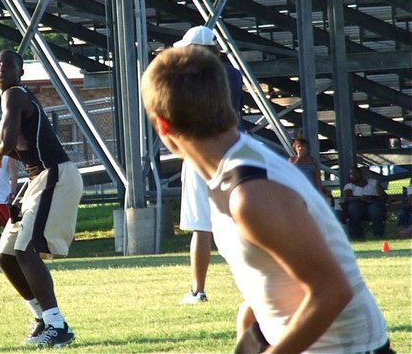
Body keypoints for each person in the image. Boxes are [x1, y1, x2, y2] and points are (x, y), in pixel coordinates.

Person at [141, 46, 392, 353]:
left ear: (162, 124)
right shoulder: (228, 169)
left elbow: (332, 291)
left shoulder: (252, 194)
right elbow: (271, 276)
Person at [0, 50, 83, 348]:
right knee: (5, 255)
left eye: (7, 65)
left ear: (20, 71)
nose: (1, 69)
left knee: (25, 249)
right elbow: (20, 149)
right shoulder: (15, 99)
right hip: (40, 179)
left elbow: (6, 143)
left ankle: (59, 326)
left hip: (56, 175)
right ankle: (43, 319)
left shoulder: (14, 95)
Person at [173, 26, 244, 305]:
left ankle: (197, 290)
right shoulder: (234, 75)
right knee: (240, 222)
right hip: (234, 149)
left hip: (200, 151)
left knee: (201, 226)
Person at [343, 165, 388, 239]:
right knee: (353, 207)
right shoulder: (349, 186)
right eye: (351, 174)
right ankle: (357, 236)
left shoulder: (373, 182)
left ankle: (378, 234)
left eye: (355, 173)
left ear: (361, 174)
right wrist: (359, 198)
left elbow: (383, 196)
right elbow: (347, 198)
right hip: (358, 205)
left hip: (373, 202)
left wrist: (372, 197)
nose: (352, 175)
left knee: (376, 208)